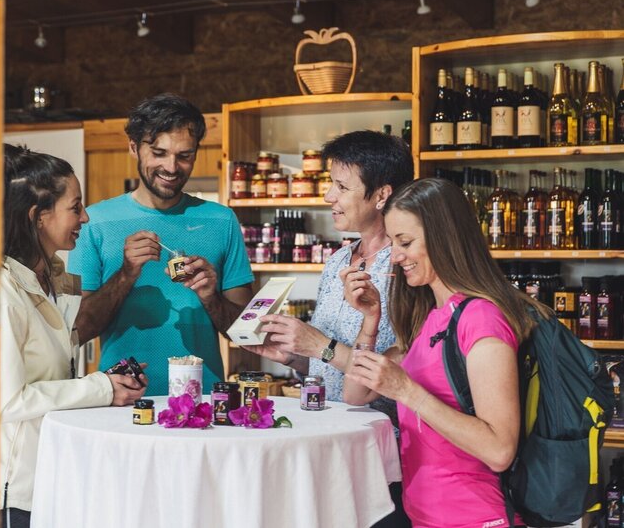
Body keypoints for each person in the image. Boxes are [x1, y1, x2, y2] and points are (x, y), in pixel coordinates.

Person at [342, 177, 550, 528]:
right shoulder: (431, 316)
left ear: (443, 237)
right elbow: (356, 392)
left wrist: (407, 390)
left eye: (405, 242)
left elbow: (499, 450)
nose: (395, 255)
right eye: (393, 242)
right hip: (426, 516)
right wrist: (370, 322)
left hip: (476, 518)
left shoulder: (482, 318)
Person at [241, 130, 413, 527]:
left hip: (383, 452)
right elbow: (326, 361)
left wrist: (318, 345)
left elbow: (401, 365)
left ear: (382, 194)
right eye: (328, 184)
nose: (328, 197)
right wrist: (294, 357)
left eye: (340, 186)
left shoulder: (406, 266)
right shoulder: (337, 261)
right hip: (325, 442)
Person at [0, 144, 147, 528]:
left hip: (56, 472)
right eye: (75, 206)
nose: (85, 216)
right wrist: (102, 388)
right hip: (16, 490)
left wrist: (109, 380)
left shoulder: (55, 280)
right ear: (38, 216)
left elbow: (52, 377)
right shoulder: (2, 291)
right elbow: (10, 400)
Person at [69, 93, 254, 395]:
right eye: (159, 152)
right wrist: (126, 275)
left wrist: (210, 297)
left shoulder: (222, 220)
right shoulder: (95, 222)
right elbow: (78, 330)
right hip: (123, 398)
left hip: (202, 400)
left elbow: (246, 333)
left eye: (184, 155)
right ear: (134, 148)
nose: (172, 167)